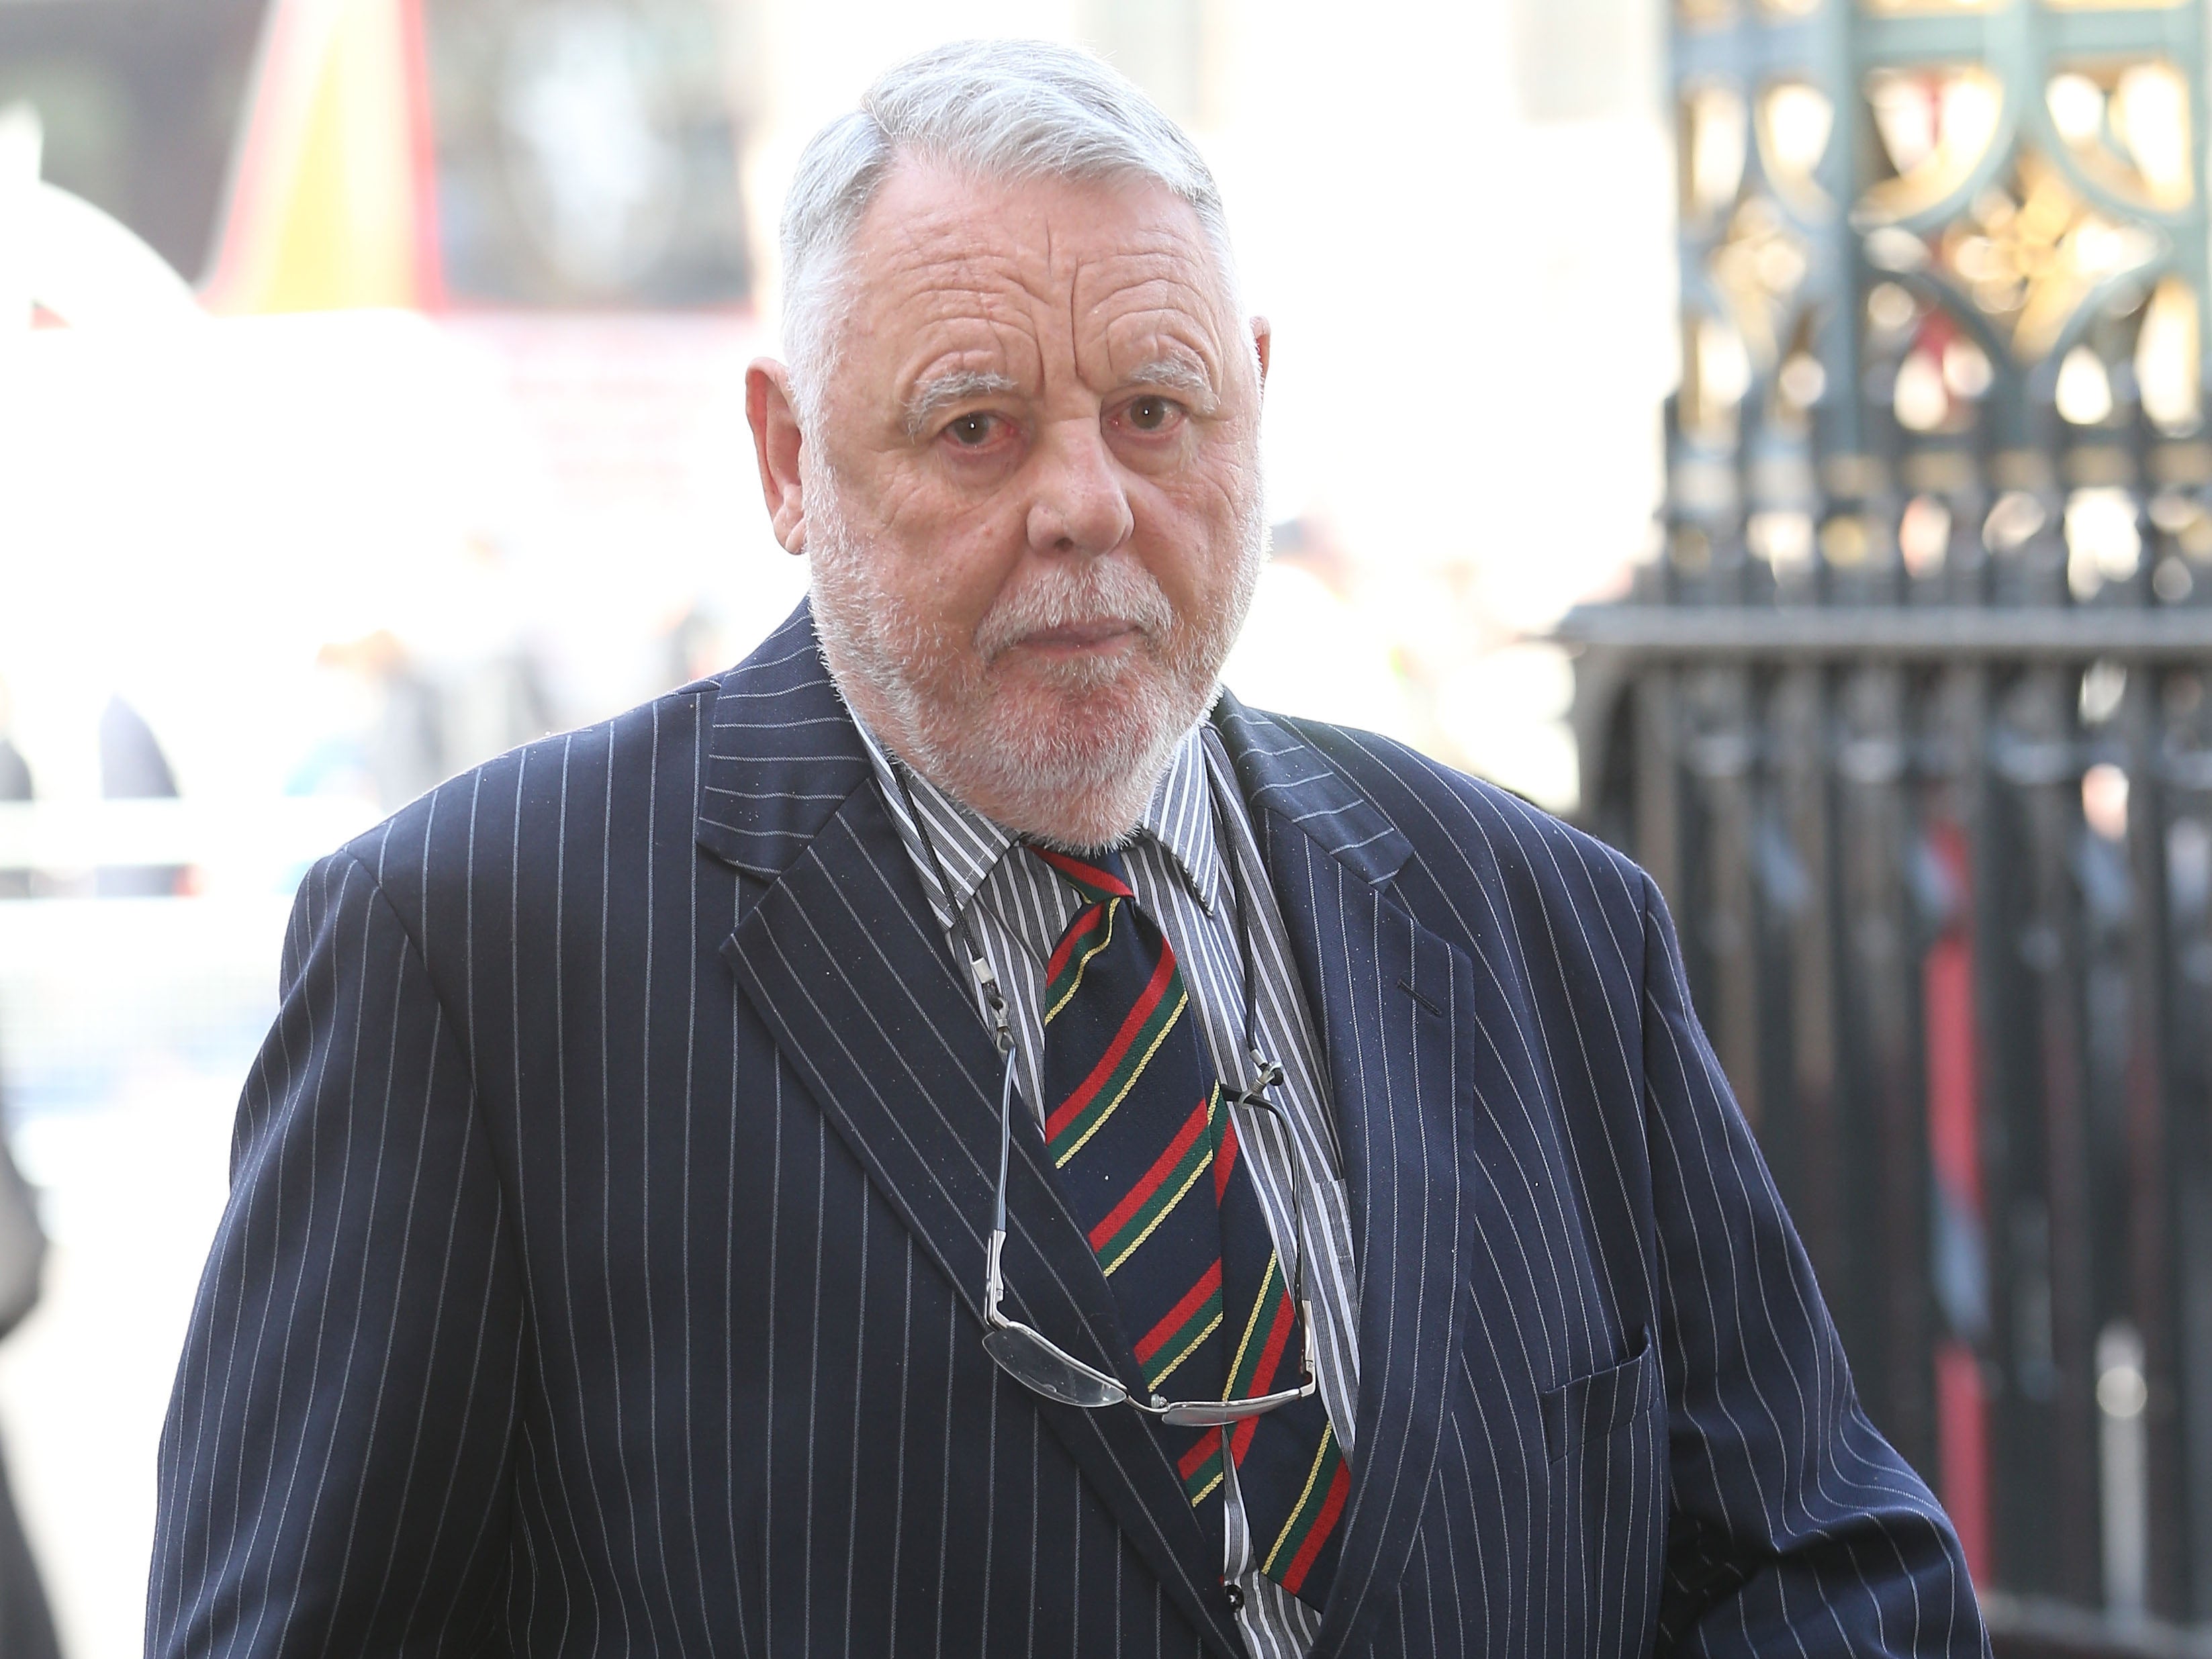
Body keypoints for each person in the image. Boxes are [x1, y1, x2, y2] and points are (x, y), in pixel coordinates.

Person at [148, 40, 1984, 1658]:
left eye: (1157, 412)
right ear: (789, 460)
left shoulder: (1547, 922)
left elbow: (1824, 1563)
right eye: (977, 428)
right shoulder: (479, 950)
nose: (1089, 502)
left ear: (1254, 402)